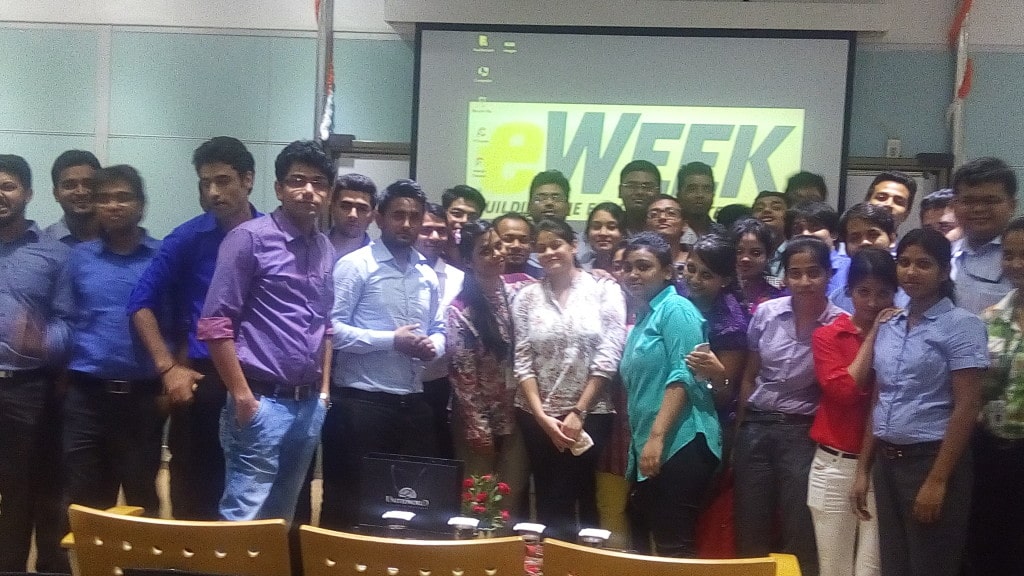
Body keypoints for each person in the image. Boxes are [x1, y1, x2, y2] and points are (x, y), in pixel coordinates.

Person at [197, 140, 335, 521]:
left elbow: (325, 324)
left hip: (308, 404)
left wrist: (323, 393)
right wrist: (243, 397)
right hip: (261, 402)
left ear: (327, 193)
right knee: (243, 515)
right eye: (298, 181)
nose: (308, 190)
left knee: (281, 517)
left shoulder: (324, 248)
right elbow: (214, 325)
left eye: (319, 183)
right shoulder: (248, 239)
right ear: (278, 188)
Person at [128, 136, 260, 520]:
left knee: (254, 489)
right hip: (204, 380)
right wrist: (168, 367)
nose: (213, 192)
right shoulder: (188, 238)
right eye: (206, 183)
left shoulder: (272, 235)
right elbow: (140, 304)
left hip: (261, 379)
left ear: (248, 179)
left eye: (223, 181)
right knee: (195, 492)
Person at [852, 228, 988, 576]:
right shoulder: (890, 323)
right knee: (893, 564)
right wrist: (863, 470)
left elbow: (968, 406)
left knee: (930, 565)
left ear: (943, 272)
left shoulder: (962, 325)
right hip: (886, 461)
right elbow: (880, 399)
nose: (911, 271)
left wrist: (938, 480)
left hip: (931, 460)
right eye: (905, 262)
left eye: (923, 264)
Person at [322, 179, 446, 530]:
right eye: (398, 215)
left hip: (412, 403)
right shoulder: (355, 265)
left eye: (414, 217)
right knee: (349, 504)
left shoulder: (426, 273)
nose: (406, 224)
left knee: (410, 506)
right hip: (360, 403)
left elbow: (439, 327)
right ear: (379, 218)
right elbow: (331, 331)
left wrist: (434, 347)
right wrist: (391, 340)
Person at [56, 165, 167, 517]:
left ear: (141, 205)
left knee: (141, 502)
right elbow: (65, 319)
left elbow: (179, 324)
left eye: (123, 197)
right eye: (104, 199)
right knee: (85, 502)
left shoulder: (162, 257)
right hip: (86, 398)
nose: (113, 206)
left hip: (142, 399)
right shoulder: (79, 258)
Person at [734, 236, 845, 576]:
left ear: (829, 274)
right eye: (795, 273)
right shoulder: (767, 313)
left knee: (799, 529)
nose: (804, 281)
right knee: (750, 526)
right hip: (756, 427)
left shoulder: (841, 324)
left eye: (813, 273)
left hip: (802, 433)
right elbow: (750, 376)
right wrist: (741, 430)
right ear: (784, 277)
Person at [513, 218, 626, 541]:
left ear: (573, 246)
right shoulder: (526, 296)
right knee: (548, 500)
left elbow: (610, 352)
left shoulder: (604, 289)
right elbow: (522, 359)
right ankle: (549, 560)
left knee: (579, 496)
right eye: (542, 248)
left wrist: (578, 411)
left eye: (556, 245)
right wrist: (540, 416)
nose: (549, 253)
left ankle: (582, 561)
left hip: (590, 414)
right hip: (536, 416)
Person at [618, 232, 721, 557]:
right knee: (643, 532)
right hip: (652, 441)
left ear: (666, 272)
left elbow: (684, 374)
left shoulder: (676, 309)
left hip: (681, 441)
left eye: (643, 267)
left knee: (674, 545)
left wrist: (656, 437)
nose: (633, 274)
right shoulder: (644, 317)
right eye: (627, 267)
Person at [0, 154, 71, 572]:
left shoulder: (53, 255)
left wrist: (43, 342)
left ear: (27, 193)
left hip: (26, 389)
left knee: (23, 489)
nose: (0, 194)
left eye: (7, 186)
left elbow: (69, 323)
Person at [808, 247, 896, 576]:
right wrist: (873, 336)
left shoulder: (903, 335)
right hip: (834, 465)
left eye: (883, 293)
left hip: (883, 465)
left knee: (872, 569)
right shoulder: (828, 335)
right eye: (863, 292)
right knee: (834, 569)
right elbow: (844, 392)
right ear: (849, 291)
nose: (873, 303)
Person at [447, 220, 533, 516]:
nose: (498, 254)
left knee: (509, 498)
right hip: (477, 418)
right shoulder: (461, 310)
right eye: (486, 251)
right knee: (478, 500)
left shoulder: (522, 287)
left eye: (498, 246)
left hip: (518, 413)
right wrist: (479, 429)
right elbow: (463, 378)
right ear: (468, 262)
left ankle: (502, 546)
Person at [966, 216, 1024, 576]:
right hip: (991, 450)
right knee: (989, 545)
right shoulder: (990, 318)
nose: (1016, 264)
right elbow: (977, 388)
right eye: (1009, 255)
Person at [680, 234, 749, 431]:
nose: (694, 279)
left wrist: (718, 375)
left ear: (725, 280)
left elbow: (723, 397)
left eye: (706, 275)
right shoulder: (676, 294)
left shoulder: (732, 326)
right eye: (690, 268)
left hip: (707, 417)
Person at [417, 202, 466, 459]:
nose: (434, 237)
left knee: (437, 457)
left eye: (441, 231)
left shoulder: (459, 278)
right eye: (426, 230)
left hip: (439, 385)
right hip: (392, 384)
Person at [950, 156, 1017, 315]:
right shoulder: (945, 254)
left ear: (1012, 205)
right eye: (968, 201)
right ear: (954, 205)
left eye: (990, 201)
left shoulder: (1018, 260)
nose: (979, 209)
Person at [830, 203, 900, 312]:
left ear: (892, 239)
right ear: (846, 248)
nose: (864, 242)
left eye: (873, 235)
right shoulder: (837, 301)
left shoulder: (911, 294)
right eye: (855, 238)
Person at [785, 201, 849, 296]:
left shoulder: (850, 268)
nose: (805, 234)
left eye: (814, 228)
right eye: (797, 229)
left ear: (834, 233)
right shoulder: (787, 270)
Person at [44, 149, 101, 245]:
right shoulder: (42, 244)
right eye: (70, 185)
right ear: (56, 194)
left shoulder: (120, 240)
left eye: (89, 184)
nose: (81, 192)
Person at [731, 218, 785, 315]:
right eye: (739, 252)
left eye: (755, 253)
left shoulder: (779, 290)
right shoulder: (720, 290)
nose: (745, 259)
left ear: (769, 255)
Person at [329, 172, 376, 259]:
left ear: (373, 216)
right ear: (332, 208)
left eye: (362, 209)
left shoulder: (378, 259)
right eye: (345, 206)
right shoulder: (312, 247)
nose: (353, 215)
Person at [441, 184, 486, 267]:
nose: (464, 220)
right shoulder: (430, 243)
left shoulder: (484, 251)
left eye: (472, 217)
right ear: (444, 212)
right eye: (457, 214)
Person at [645, 194, 688, 274]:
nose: (662, 217)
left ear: (684, 225)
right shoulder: (635, 259)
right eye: (654, 214)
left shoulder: (696, 260)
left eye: (671, 213)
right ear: (646, 225)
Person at [676, 161, 716, 243]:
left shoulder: (724, 236)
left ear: (713, 194)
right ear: (679, 195)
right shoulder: (668, 234)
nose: (700, 195)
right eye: (692, 189)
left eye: (706, 189)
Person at [752, 190, 789, 277]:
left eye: (776, 208)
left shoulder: (798, 250)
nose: (766, 210)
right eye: (759, 209)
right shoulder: (743, 255)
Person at [619, 160, 661, 236]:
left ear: (658, 192)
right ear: (620, 191)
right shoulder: (607, 232)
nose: (639, 192)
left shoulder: (671, 233)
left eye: (648, 187)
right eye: (632, 186)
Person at [494, 212, 540, 277]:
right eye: (508, 239)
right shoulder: (480, 279)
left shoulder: (543, 277)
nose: (516, 245)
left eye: (523, 240)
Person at [582, 202, 625, 272]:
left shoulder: (633, 271)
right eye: (596, 227)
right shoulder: (582, 271)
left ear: (623, 233)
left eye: (611, 227)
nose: (603, 233)